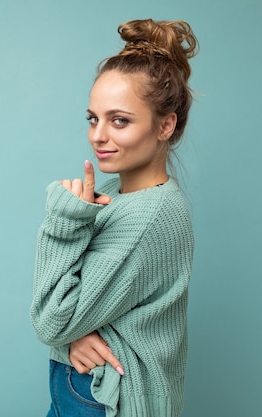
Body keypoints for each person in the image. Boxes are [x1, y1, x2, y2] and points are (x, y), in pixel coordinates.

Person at [30, 18, 199, 417]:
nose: (98, 135)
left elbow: (52, 319)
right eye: (94, 118)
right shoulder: (113, 195)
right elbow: (69, 312)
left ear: (165, 125)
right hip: (85, 386)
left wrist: (64, 222)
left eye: (119, 120)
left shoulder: (149, 217)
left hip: (105, 398)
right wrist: (75, 335)